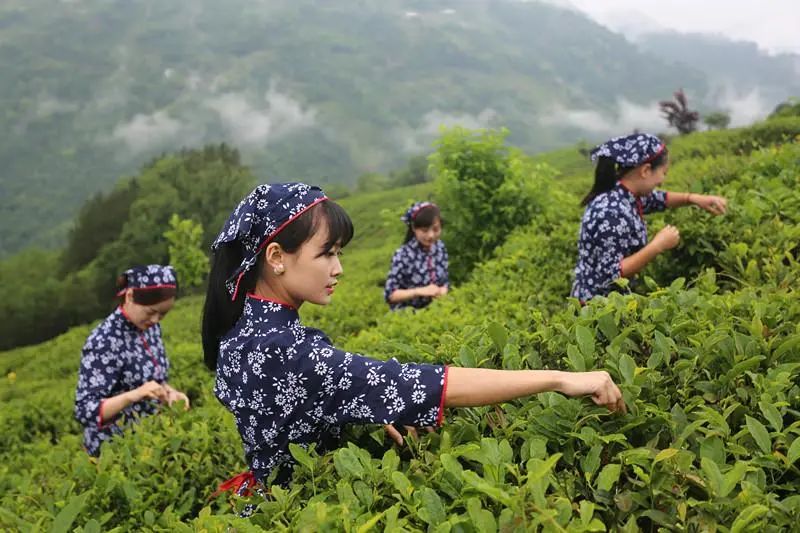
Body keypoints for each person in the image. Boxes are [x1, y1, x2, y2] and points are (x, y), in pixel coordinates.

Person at [202, 183, 625, 494]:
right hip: (297, 508)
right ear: (276, 257)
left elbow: (296, 404)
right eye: (326, 253)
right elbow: (427, 383)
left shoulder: (245, 332)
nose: (338, 269)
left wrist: (353, 405)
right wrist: (560, 379)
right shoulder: (283, 350)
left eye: (339, 254)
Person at [571, 133, 728, 302]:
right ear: (645, 170)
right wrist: (657, 245)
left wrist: (693, 198)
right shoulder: (612, 213)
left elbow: (658, 199)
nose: (662, 180)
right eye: (663, 173)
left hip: (614, 301)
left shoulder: (624, 193)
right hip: (597, 307)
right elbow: (612, 274)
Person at [74, 264, 189, 456]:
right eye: (150, 312)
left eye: (162, 314)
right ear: (129, 297)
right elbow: (85, 411)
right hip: (113, 452)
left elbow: (153, 379)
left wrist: (169, 392)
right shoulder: (104, 341)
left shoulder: (150, 327)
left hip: (149, 442)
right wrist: (133, 395)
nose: (155, 320)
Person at [384, 201, 449, 310]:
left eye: (436, 229)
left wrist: (443, 290)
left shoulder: (440, 248)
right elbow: (390, 295)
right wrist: (419, 291)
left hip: (437, 310)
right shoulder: (402, 255)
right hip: (409, 315)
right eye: (424, 230)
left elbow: (445, 281)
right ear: (414, 228)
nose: (431, 235)